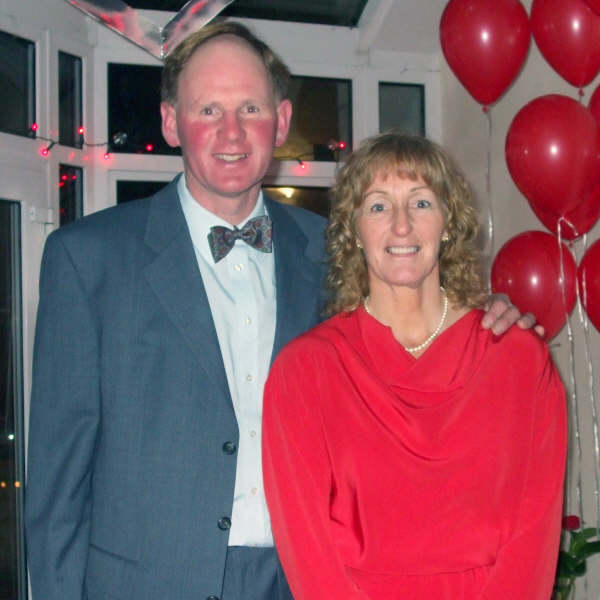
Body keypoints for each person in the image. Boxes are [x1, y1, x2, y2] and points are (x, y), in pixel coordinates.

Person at [25, 21, 535, 600]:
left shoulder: (340, 252)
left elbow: (417, 337)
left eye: (250, 108)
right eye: (208, 110)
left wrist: (488, 318)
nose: (232, 133)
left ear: (283, 121)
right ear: (171, 123)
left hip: (308, 578)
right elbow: (56, 487)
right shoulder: (88, 260)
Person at [262, 133, 566, 600]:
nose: (401, 226)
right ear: (353, 228)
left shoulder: (518, 359)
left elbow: (535, 534)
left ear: (448, 223)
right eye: (379, 207)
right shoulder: (305, 372)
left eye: (421, 203)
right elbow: (307, 550)